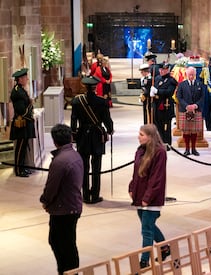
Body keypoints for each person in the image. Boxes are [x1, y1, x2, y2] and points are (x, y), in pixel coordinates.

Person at [40, 124, 83, 275]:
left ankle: (67, 272)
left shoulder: (59, 161)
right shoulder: (75, 154)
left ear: (54, 141)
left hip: (63, 209)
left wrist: (45, 201)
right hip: (72, 205)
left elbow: (51, 187)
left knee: (62, 245)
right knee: (66, 243)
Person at [128, 124, 170, 268]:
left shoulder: (160, 153)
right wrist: (132, 187)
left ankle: (144, 260)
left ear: (150, 137)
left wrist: (148, 197)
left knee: (146, 229)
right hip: (140, 194)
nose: (138, 137)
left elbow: (156, 178)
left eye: (141, 134)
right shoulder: (140, 150)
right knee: (149, 226)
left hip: (151, 197)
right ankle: (165, 248)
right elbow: (136, 172)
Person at [71, 75, 114, 204]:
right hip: (97, 135)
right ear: (95, 87)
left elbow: (74, 119)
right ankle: (95, 194)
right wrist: (110, 129)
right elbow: (107, 119)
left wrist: (74, 134)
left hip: (83, 135)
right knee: (96, 167)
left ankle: (85, 195)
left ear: (84, 86)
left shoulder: (77, 101)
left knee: (83, 167)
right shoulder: (102, 101)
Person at [9, 68, 36, 177]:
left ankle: (23, 168)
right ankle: (19, 170)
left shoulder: (21, 89)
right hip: (21, 124)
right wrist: (30, 104)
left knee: (24, 147)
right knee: (20, 148)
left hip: (25, 123)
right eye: (25, 77)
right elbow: (22, 111)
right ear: (20, 79)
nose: (27, 79)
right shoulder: (17, 92)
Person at [176, 66, 204, 156]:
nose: (191, 76)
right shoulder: (181, 84)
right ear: (186, 74)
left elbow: (203, 97)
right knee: (186, 131)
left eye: (193, 74)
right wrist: (187, 106)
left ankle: (194, 149)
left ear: (195, 74)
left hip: (196, 110)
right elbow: (179, 97)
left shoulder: (200, 84)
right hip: (185, 110)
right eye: (189, 74)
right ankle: (187, 149)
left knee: (194, 131)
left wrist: (196, 105)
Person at [150, 62, 177, 147]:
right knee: (157, 125)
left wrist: (158, 92)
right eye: (161, 69)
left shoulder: (171, 80)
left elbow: (169, 92)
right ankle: (159, 143)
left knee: (166, 127)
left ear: (167, 70)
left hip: (166, 106)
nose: (161, 71)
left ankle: (167, 143)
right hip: (157, 105)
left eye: (164, 70)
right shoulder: (157, 78)